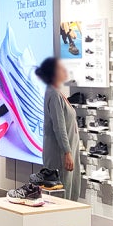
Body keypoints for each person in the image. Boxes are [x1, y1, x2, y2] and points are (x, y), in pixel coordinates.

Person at [36, 57, 81, 201]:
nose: (65, 70)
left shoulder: (56, 93)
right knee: (62, 192)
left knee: (69, 188)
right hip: (59, 153)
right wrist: (67, 152)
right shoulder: (54, 95)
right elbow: (59, 127)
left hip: (67, 151)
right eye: (61, 68)